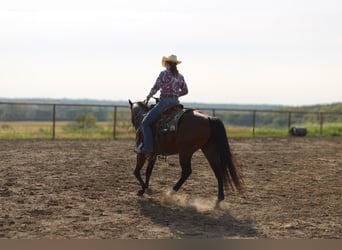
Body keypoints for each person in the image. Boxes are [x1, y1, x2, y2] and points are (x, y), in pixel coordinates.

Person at [138, 54, 188, 159]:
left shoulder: (163, 74)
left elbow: (156, 87)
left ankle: (148, 150)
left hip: (164, 103)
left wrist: (148, 96)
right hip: (176, 104)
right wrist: (175, 94)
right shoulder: (180, 76)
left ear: (167, 63)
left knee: (145, 123)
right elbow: (185, 91)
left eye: (165, 63)